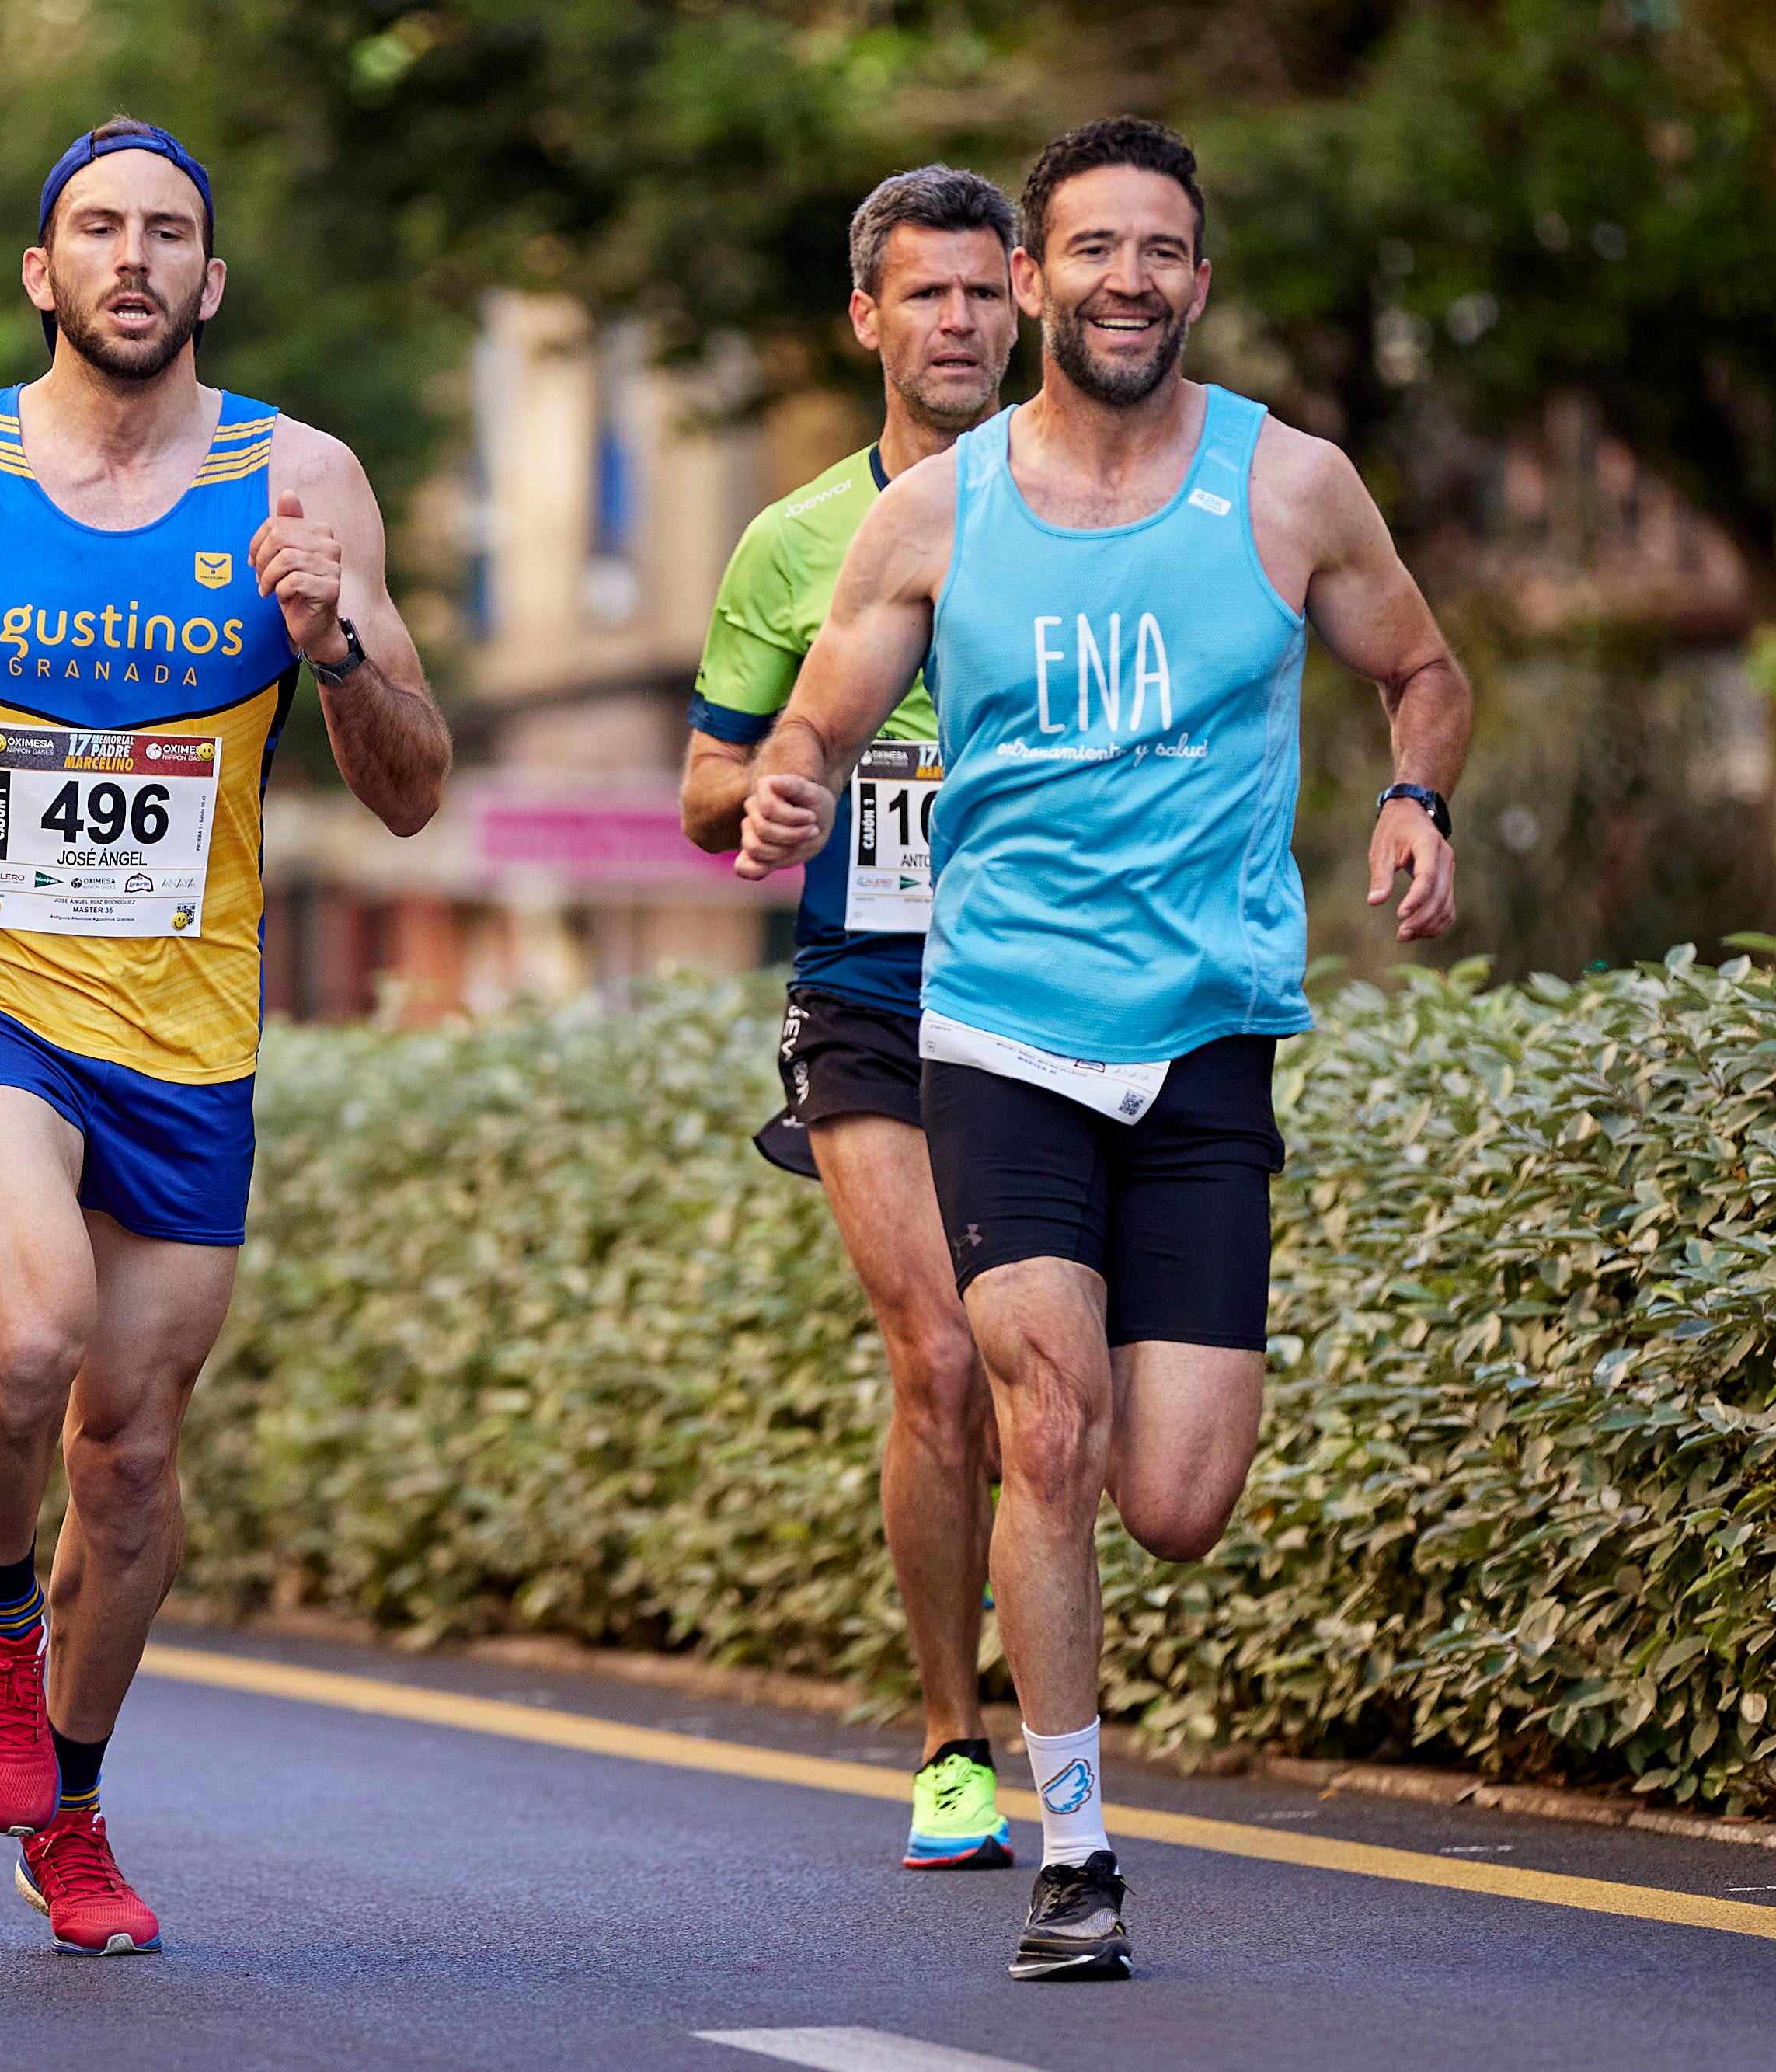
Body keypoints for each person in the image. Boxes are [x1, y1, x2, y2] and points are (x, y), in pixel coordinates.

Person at [735, 117, 1468, 1982]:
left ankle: (1070, 1781)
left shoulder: (1287, 487)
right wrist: (787, 790)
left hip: (1209, 1036)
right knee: (1037, 1422)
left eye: (1162, 250)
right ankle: (1070, 1848)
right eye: (1091, 249)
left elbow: (1425, 664)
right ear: (1037, 280)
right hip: (996, 1036)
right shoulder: (935, 510)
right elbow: (817, 716)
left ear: (1194, 281)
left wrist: (1412, 796)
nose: (1125, 279)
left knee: (1176, 1499)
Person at [0, 117, 449, 1955]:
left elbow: (410, 795)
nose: (131, 260)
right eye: (95, 231)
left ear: (208, 283)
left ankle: (72, 1800)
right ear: (41, 274)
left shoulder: (304, 483)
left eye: (167, 236)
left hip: (193, 1033)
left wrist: (334, 645)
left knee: (127, 1456)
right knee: (33, 1327)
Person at [684, 166, 1022, 1874]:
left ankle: (1060, 1683)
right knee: (941, 1355)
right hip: (868, 990)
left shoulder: (1105, 506)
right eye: (923, 294)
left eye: (980, 291)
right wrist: (774, 793)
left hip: (1061, 984)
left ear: (1020, 304)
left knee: (1066, 1390)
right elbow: (700, 780)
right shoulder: (795, 538)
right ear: (865, 320)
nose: (954, 322)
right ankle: (952, 1737)